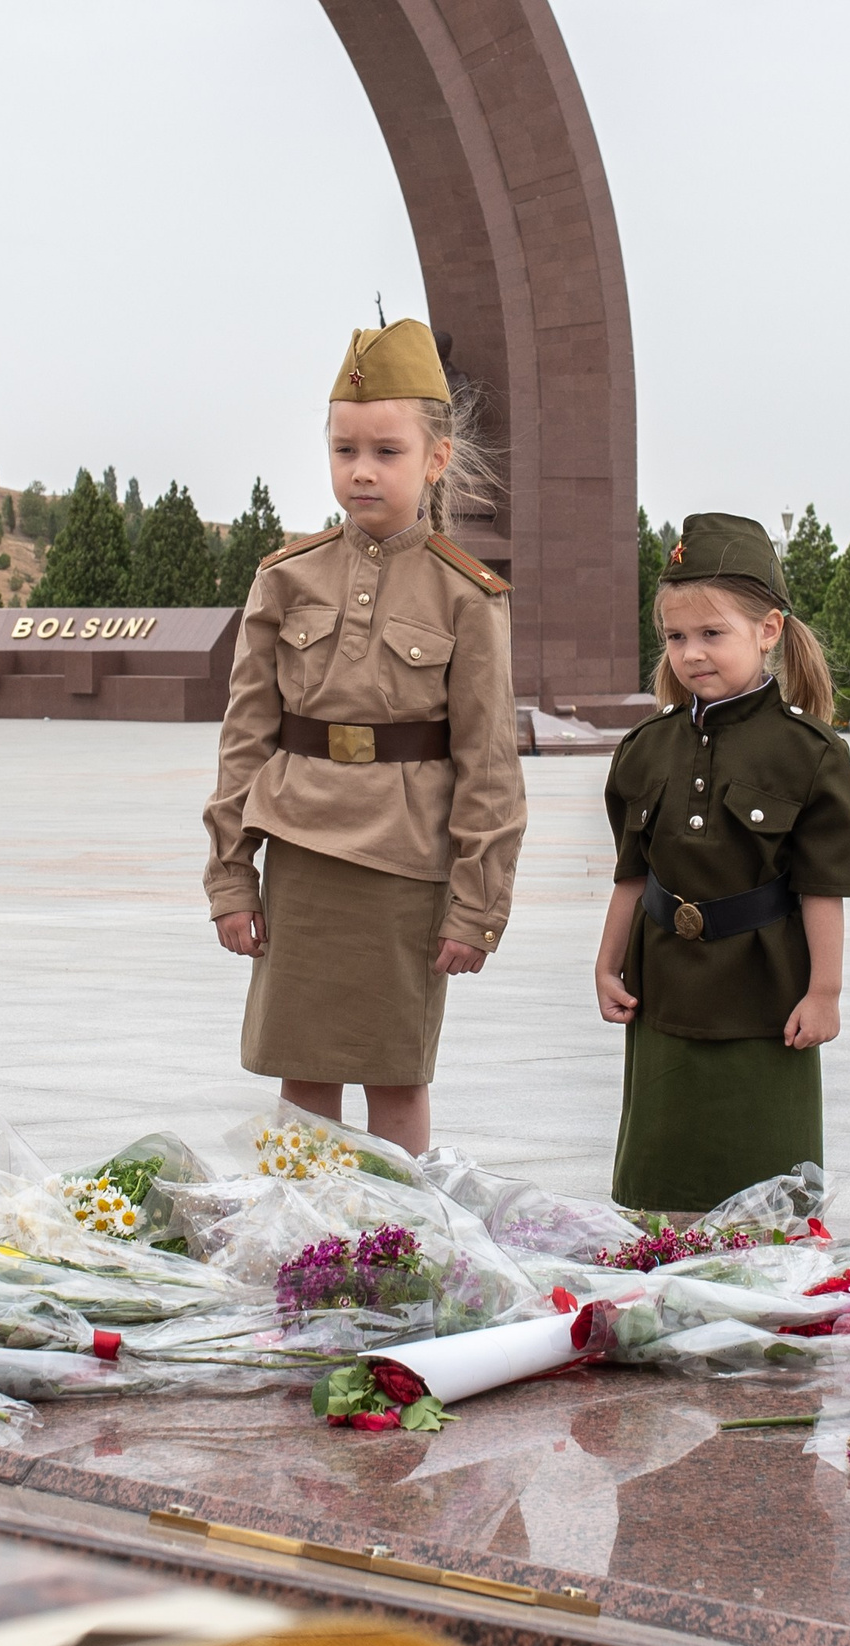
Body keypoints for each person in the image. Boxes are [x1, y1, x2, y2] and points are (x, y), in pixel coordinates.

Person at [203, 318, 525, 1156]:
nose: (362, 470)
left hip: (406, 865)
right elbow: (245, 738)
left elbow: (487, 762)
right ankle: (300, 1244)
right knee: (302, 1068)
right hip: (301, 852)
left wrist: (477, 903)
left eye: (386, 450)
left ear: (436, 458)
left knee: (395, 1072)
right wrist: (232, 876)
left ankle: (399, 1245)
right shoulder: (287, 577)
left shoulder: (466, 595)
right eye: (345, 450)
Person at [594, 514, 850, 1211]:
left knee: (766, 1186)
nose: (692, 653)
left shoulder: (810, 754)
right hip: (665, 994)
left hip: (765, 996)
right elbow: (631, 871)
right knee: (663, 1183)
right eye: (677, 637)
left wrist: (825, 991)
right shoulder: (645, 748)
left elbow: (821, 890)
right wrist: (606, 963)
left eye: (713, 634)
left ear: (768, 630)